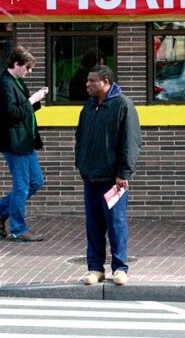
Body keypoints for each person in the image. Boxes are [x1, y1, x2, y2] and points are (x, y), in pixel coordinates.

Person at [74, 65, 141, 286]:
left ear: (106, 82)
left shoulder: (123, 105)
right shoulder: (88, 107)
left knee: (116, 223)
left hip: (113, 180)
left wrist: (123, 173)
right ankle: (95, 268)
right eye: (87, 80)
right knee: (93, 225)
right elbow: (80, 136)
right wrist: (81, 162)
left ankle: (120, 268)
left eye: (92, 81)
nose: (87, 84)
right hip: (91, 176)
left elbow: (130, 142)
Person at [0, 45, 49, 242]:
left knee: (36, 181)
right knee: (22, 186)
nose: (29, 72)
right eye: (27, 67)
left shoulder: (16, 81)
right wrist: (33, 99)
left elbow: (22, 110)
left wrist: (35, 100)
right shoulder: (5, 84)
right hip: (15, 142)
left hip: (25, 141)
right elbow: (12, 114)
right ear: (16, 64)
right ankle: (18, 229)